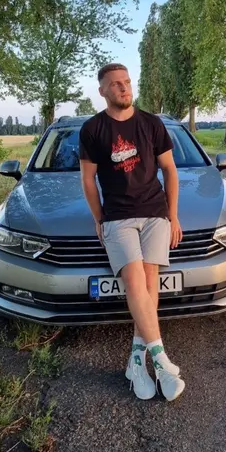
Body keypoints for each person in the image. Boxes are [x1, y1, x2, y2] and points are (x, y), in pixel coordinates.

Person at [79, 62, 185, 401]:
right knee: (135, 282)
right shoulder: (92, 129)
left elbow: (169, 170)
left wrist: (173, 216)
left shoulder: (152, 124)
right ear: (102, 91)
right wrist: (99, 218)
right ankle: (162, 361)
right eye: (115, 84)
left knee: (151, 283)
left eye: (126, 82)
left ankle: (137, 362)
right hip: (118, 217)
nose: (124, 88)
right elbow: (87, 180)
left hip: (155, 213)